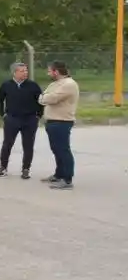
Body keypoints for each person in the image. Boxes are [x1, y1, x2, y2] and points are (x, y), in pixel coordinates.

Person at [0, 62, 42, 179]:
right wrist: (3, 114)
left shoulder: (33, 85)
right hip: (12, 118)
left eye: (26, 70)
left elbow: (41, 101)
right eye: (22, 71)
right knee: (7, 144)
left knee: (28, 145)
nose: (25, 73)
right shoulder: (6, 85)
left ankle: (26, 169)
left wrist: (38, 115)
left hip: (29, 119)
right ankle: (3, 167)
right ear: (14, 73)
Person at [39, 60, 79, 190]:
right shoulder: (55, 84)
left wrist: (44, 98)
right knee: (56, 149)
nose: (48, 73)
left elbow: (50, 98)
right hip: (52, 120)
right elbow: (43, 97)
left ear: (56, 71)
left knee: (63, 150)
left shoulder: (69, 84)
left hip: (62, 121)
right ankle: (59, 174)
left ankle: (67, 179)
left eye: (50, 71)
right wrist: (44, 97)